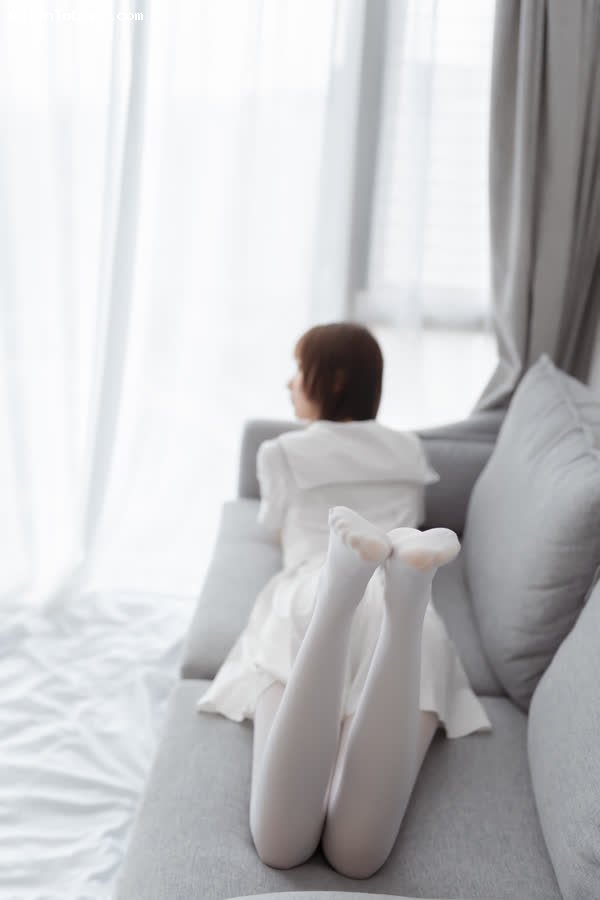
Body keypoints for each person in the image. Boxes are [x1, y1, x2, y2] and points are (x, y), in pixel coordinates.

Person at [196, 321, 492, 879]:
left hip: (308, 590)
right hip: (401, 594)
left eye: (297, 370)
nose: (289, 384)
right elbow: (414, 515)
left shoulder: (282, 451)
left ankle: (340, 583)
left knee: (280, 845)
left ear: (330, 380)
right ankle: (405, 595)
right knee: (359, 857)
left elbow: (275, 527)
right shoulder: (408, 448)